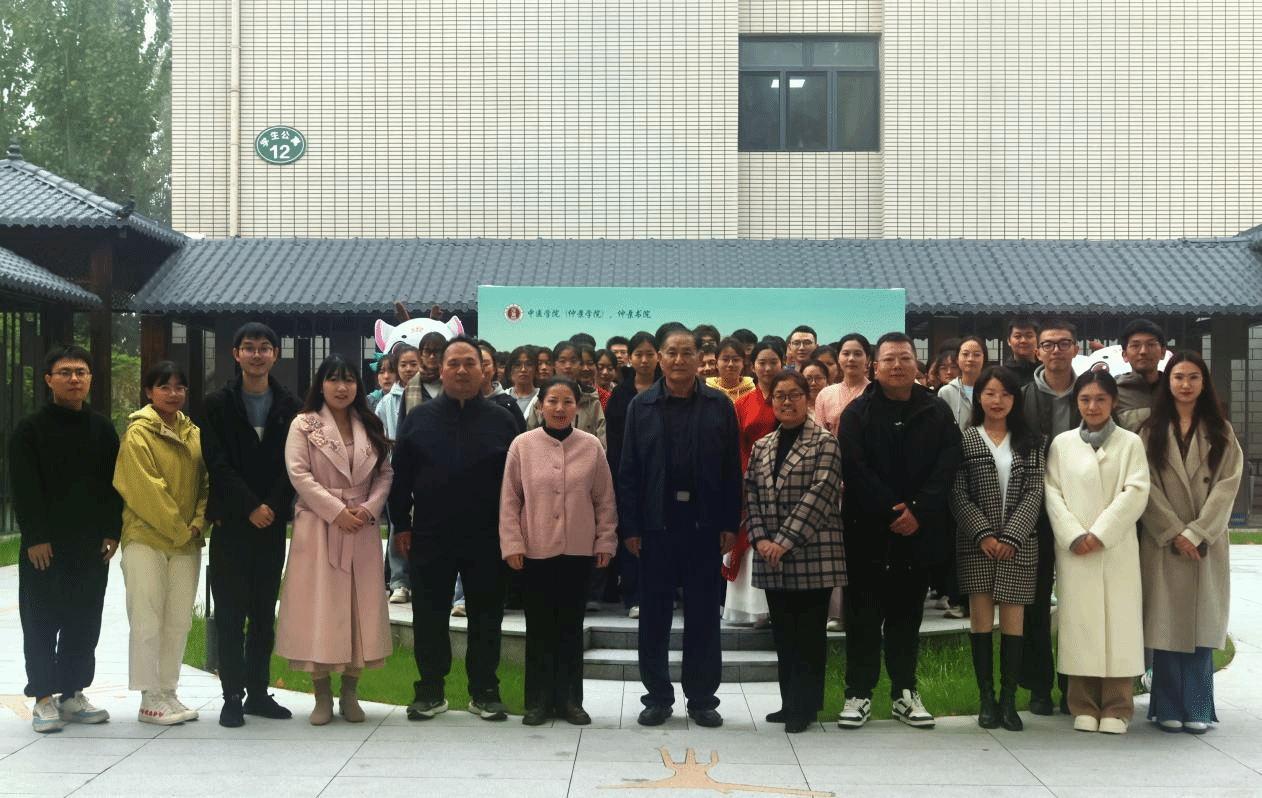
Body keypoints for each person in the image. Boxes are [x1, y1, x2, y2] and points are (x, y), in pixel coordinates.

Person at [389, 336, 520, 722]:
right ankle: (430, 690)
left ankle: (485, 690)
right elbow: (401, 477)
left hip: (488, 535)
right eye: (454, 364)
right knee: (429, 614)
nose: (462, 370)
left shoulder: (502, 420)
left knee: (487, 615)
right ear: (441, 370)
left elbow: (518, 482)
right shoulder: (419, 418)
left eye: (470, 363)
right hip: (431, 532)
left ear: (484, 371)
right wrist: (402, 524)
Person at [836, 332, 962, 729]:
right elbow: (854, 467)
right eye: (888, 359)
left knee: (907, 619)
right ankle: (858, 693)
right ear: (875, 366)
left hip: (917, 533)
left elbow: (948, 463)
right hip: (867, 532)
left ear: (916, 364)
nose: (896, 365)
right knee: (862, 618)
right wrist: (893, 510)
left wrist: (919, 510)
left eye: (904, 358)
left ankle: (904, 693)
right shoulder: (856, 413)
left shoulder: (936, 410)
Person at [619, 326, 740, 728]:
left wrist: (729, 522)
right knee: (655, 615)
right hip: (656, 525)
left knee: (704, 615)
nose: (679, 359)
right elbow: (628, 471)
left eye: (687, 352)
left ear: (699, 357)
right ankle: (657, 697)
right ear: (659, 357)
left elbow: (731, 470)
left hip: (705, 525)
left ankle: (702, 699)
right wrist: (631, 527)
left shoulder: (719, 405)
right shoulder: (641, 406)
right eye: (671, 352)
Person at [275, 355, 394, 725]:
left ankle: (351, 692)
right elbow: (299, 474)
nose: (342, 387)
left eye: (349, 380)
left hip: (361, 527)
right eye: (333, 379)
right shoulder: (304, 424)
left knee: (362, 607)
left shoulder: (370, 423)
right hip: (319, 526)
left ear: (358, 385)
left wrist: (369, 509)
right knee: (320, 607)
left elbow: (385, 472)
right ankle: (322, 693)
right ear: (321, 384)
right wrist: (335, 511)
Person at [11, 345, 122, 733]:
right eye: (65, 372)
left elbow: (115, 485)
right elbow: (24, 488)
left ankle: (72, 693)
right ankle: (43, 697)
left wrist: (112, 531)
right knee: (41, 619)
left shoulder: (102, 429)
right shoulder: (30, 431)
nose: (74, 379)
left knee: (84, 620)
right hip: (45, 546)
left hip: (90, 545)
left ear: (90, 379)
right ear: (48, 380)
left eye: (81, 372)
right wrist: (36, 536)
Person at [500, 377, 618, 725]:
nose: (560, 408)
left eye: (568, 402)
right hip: (534, 550)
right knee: (539, 628)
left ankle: (569, 701)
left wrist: (605, 540)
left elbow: (604, 499)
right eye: (552, 401)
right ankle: (537, 701)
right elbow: (510, 500)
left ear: (578, 408)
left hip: (578, 550)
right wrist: (512, 544)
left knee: (570, 627)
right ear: (540, 407)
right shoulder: (522, 446)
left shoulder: (591, 446)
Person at [200, 322, 301, 727]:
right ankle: (231, 696)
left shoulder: (291, 406)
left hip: (271, 525)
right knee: (229, 613)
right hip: (232, 522)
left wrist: (271, 506)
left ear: (275, 354)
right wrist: (250, 506)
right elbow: (216, 461)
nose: (257, 355)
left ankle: (258, 694)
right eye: (249, 347)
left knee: (262, 614)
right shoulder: (217, 404)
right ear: (236, 354)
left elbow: (293, 465)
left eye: (264, 348)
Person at [1139, 352, 1242, 733]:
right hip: (1164, 541)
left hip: (1205, 543)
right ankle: (1166, 705)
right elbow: (1144, 485)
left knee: (1201, 626)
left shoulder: (1221, 431)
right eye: (1178, 376)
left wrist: (1196, 533)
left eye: (1193, 377)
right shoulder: (1150, 430)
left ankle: (1198, 707)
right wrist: (1174, 531)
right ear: (1168, 382)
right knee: (1165, 625)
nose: (1185, 384)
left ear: (1204, 383)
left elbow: (1227, 487)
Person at [1044, 371, 1149, 734]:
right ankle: (1083, 705)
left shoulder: (1130, 444)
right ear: (1076, 403)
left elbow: (1136, 491)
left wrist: (1101, 533)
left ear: (1113, 402)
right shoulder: (1061, 445)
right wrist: (1074, 534)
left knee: (1119, 626)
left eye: (1100, 399)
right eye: (1085, 399)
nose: (1092, 406)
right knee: (1081, 625)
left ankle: (1118, 707)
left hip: (1116, 549)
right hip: (1075, 551)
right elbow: (1052, 493)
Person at [744, 371, 846, 733]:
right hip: (771, 555)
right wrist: (760, 538)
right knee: (784, 634)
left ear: (807, 398)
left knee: (809, 635)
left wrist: (783, 541)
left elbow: (821, 495)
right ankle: (789, 703)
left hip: (812, 553)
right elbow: (751, 493)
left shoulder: (825, 442)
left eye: (794, 395)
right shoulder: (763, 445)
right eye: (780, 396)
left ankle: (805, 706)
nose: (786, 402)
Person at [949, 366, 1045, 732]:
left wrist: (1011, 537)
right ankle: (986, 699)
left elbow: (1035, 491)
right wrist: (984, 535)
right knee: (981, 623)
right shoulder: (964, 440)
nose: (997, 400)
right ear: (978, 398)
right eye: (989, 393)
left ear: (1015, 399)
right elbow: (957, 494)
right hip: (978, 546)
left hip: (1019, 547)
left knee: (1014, 626)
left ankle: (1009, 701)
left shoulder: (1032, 441)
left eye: (1005, 394)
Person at [113, 361, 209, 726]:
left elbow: (206, 483)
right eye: (164, 387)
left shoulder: (193, 433)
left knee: (179, 620)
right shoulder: (138, 434)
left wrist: (198, 523)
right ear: (149, 392)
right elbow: (146, 489)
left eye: (179, 387)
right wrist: (180, 528)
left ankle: (167, 690)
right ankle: (149, 697)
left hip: (187, 541)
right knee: (147, 619)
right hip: (146, 538)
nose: (173, 393)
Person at [1019, 320, 1081, 716]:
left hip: (1081, 510)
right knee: (1035, 601)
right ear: (1037, 351)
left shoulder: (1091, 392)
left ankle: (1076, 684)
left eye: (1064, 343)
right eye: (1048, 345)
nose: (1056, 351)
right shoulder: (1023, 396)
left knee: (1079, 599)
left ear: (1076, 348)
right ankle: (1039, 687)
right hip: (1034, 510)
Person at [726, 340, 785, 627]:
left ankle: (780, 607)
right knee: (750, 542)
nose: (768, 368)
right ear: (753, 366)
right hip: (750, 479)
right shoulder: (742, 403)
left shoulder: (790, 397)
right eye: (762, 362)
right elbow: (737, 445)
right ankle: (752, 609)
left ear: (783, 363)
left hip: (787, 480)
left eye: (774, 362)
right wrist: (746, 477)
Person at [376, 343, 419, 604]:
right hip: (395, 471)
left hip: (424, 472)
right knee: (396, 526)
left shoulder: (428, 395)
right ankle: (399, 582)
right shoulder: (386, 402)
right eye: (403, 365)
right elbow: (378, 436)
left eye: (414, 364)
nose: (409, 369)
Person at [526, 340, 606, 447]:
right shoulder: (541, 399)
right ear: (554, 364)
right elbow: (530, 436)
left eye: (573, 361)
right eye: (562, 361)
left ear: (580, 364)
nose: (568, 366)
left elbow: (601, 443)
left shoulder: (591, 399)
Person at [815, 333, 872, 437]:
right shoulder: (825, 394)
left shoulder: (876, 392)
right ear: (838, 358)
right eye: (846, 354)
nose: (851, 359)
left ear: (867, 359)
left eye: (858, 354)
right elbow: (819, 435)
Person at [1116, 319, 1168, 428]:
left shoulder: (1174, 389)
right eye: (1135, 346)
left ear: (1163, 352)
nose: (1143, 351)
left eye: (1151, 344)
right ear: (1124, 355)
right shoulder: (1113, 392)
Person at [937, 336, 990, 430]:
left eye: (976, 355)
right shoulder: (946, 392)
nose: (970, 359)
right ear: (957, 359)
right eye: (965, 354)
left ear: (984, 358)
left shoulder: (992, 390)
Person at [477, 341, 527, 433]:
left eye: (485, 364)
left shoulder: (508, 404)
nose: (481, 368)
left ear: (494, 369)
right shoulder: (461, 402)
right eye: (475, 364)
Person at [403, 331, 447, 414]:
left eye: (437, 351)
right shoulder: (410, 386)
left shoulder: (453, 384)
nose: (432, 356)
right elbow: (404, 421)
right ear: (420, 354)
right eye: (427, 351)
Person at [705, 337, 755, 402]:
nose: (730, 364)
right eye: (725, 359)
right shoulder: (706, 390)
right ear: (716, 363)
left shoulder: (752, 391)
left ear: (743, 363)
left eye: (736, 360)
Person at [1003, 317, 1040, 387]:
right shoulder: (1003, 374)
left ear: (1038, 340)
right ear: (1009, 341)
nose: (1023, 341)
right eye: (1017, 336)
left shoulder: (1045, 371)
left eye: (1029, 336)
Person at [507, 345, 539, 416]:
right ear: (511, 370)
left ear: (535, 369)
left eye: (529, 364)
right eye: (518, 365)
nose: (523, 369)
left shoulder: (542, 398)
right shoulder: (503, 397)